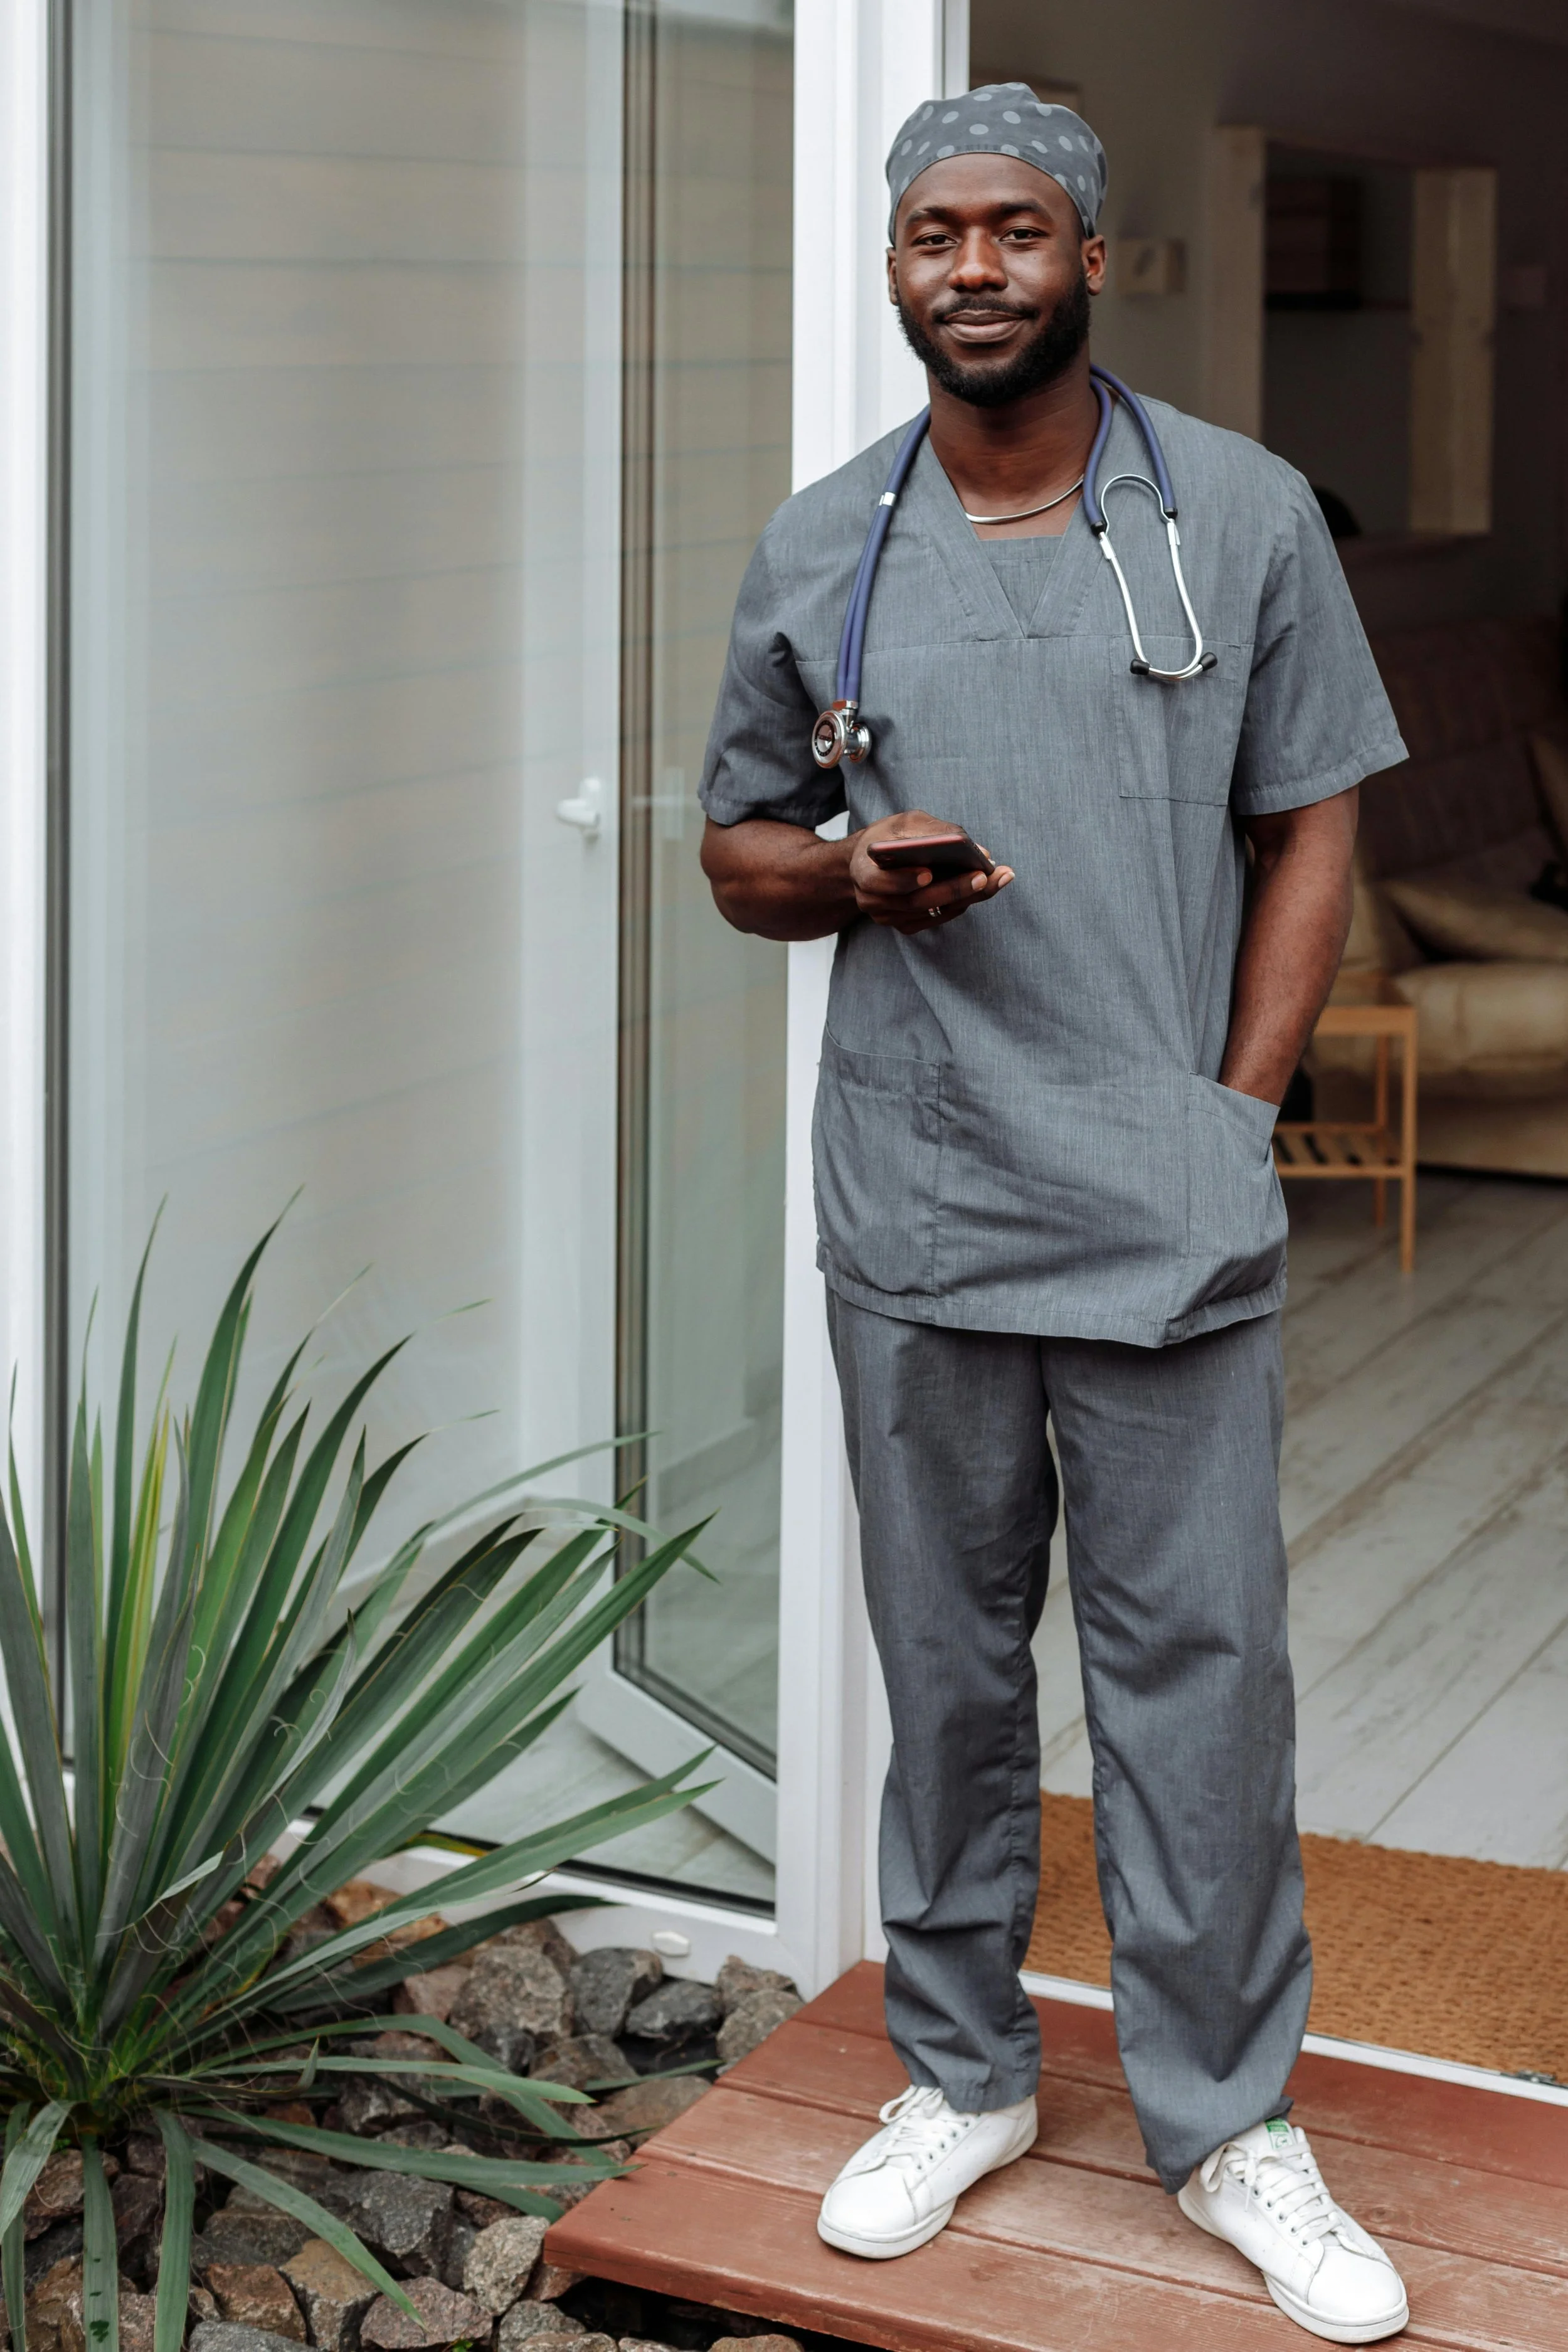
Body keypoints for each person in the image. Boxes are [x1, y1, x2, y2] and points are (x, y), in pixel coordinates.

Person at [697, 83, 1411, 2348]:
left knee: (1199, 1674)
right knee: (945, 1662)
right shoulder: (826, 542)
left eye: (1016, 229)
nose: (974, 268)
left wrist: (1239, 1106)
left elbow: (1311, 819)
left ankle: (1227, 2124)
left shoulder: (1239, 512)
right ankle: (958, 2072)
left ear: (1090, 255)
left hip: (1165, 1193)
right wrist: (842, 872)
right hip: (917, 1189)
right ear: (895, 268)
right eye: (936, 235)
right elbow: (732, 851)